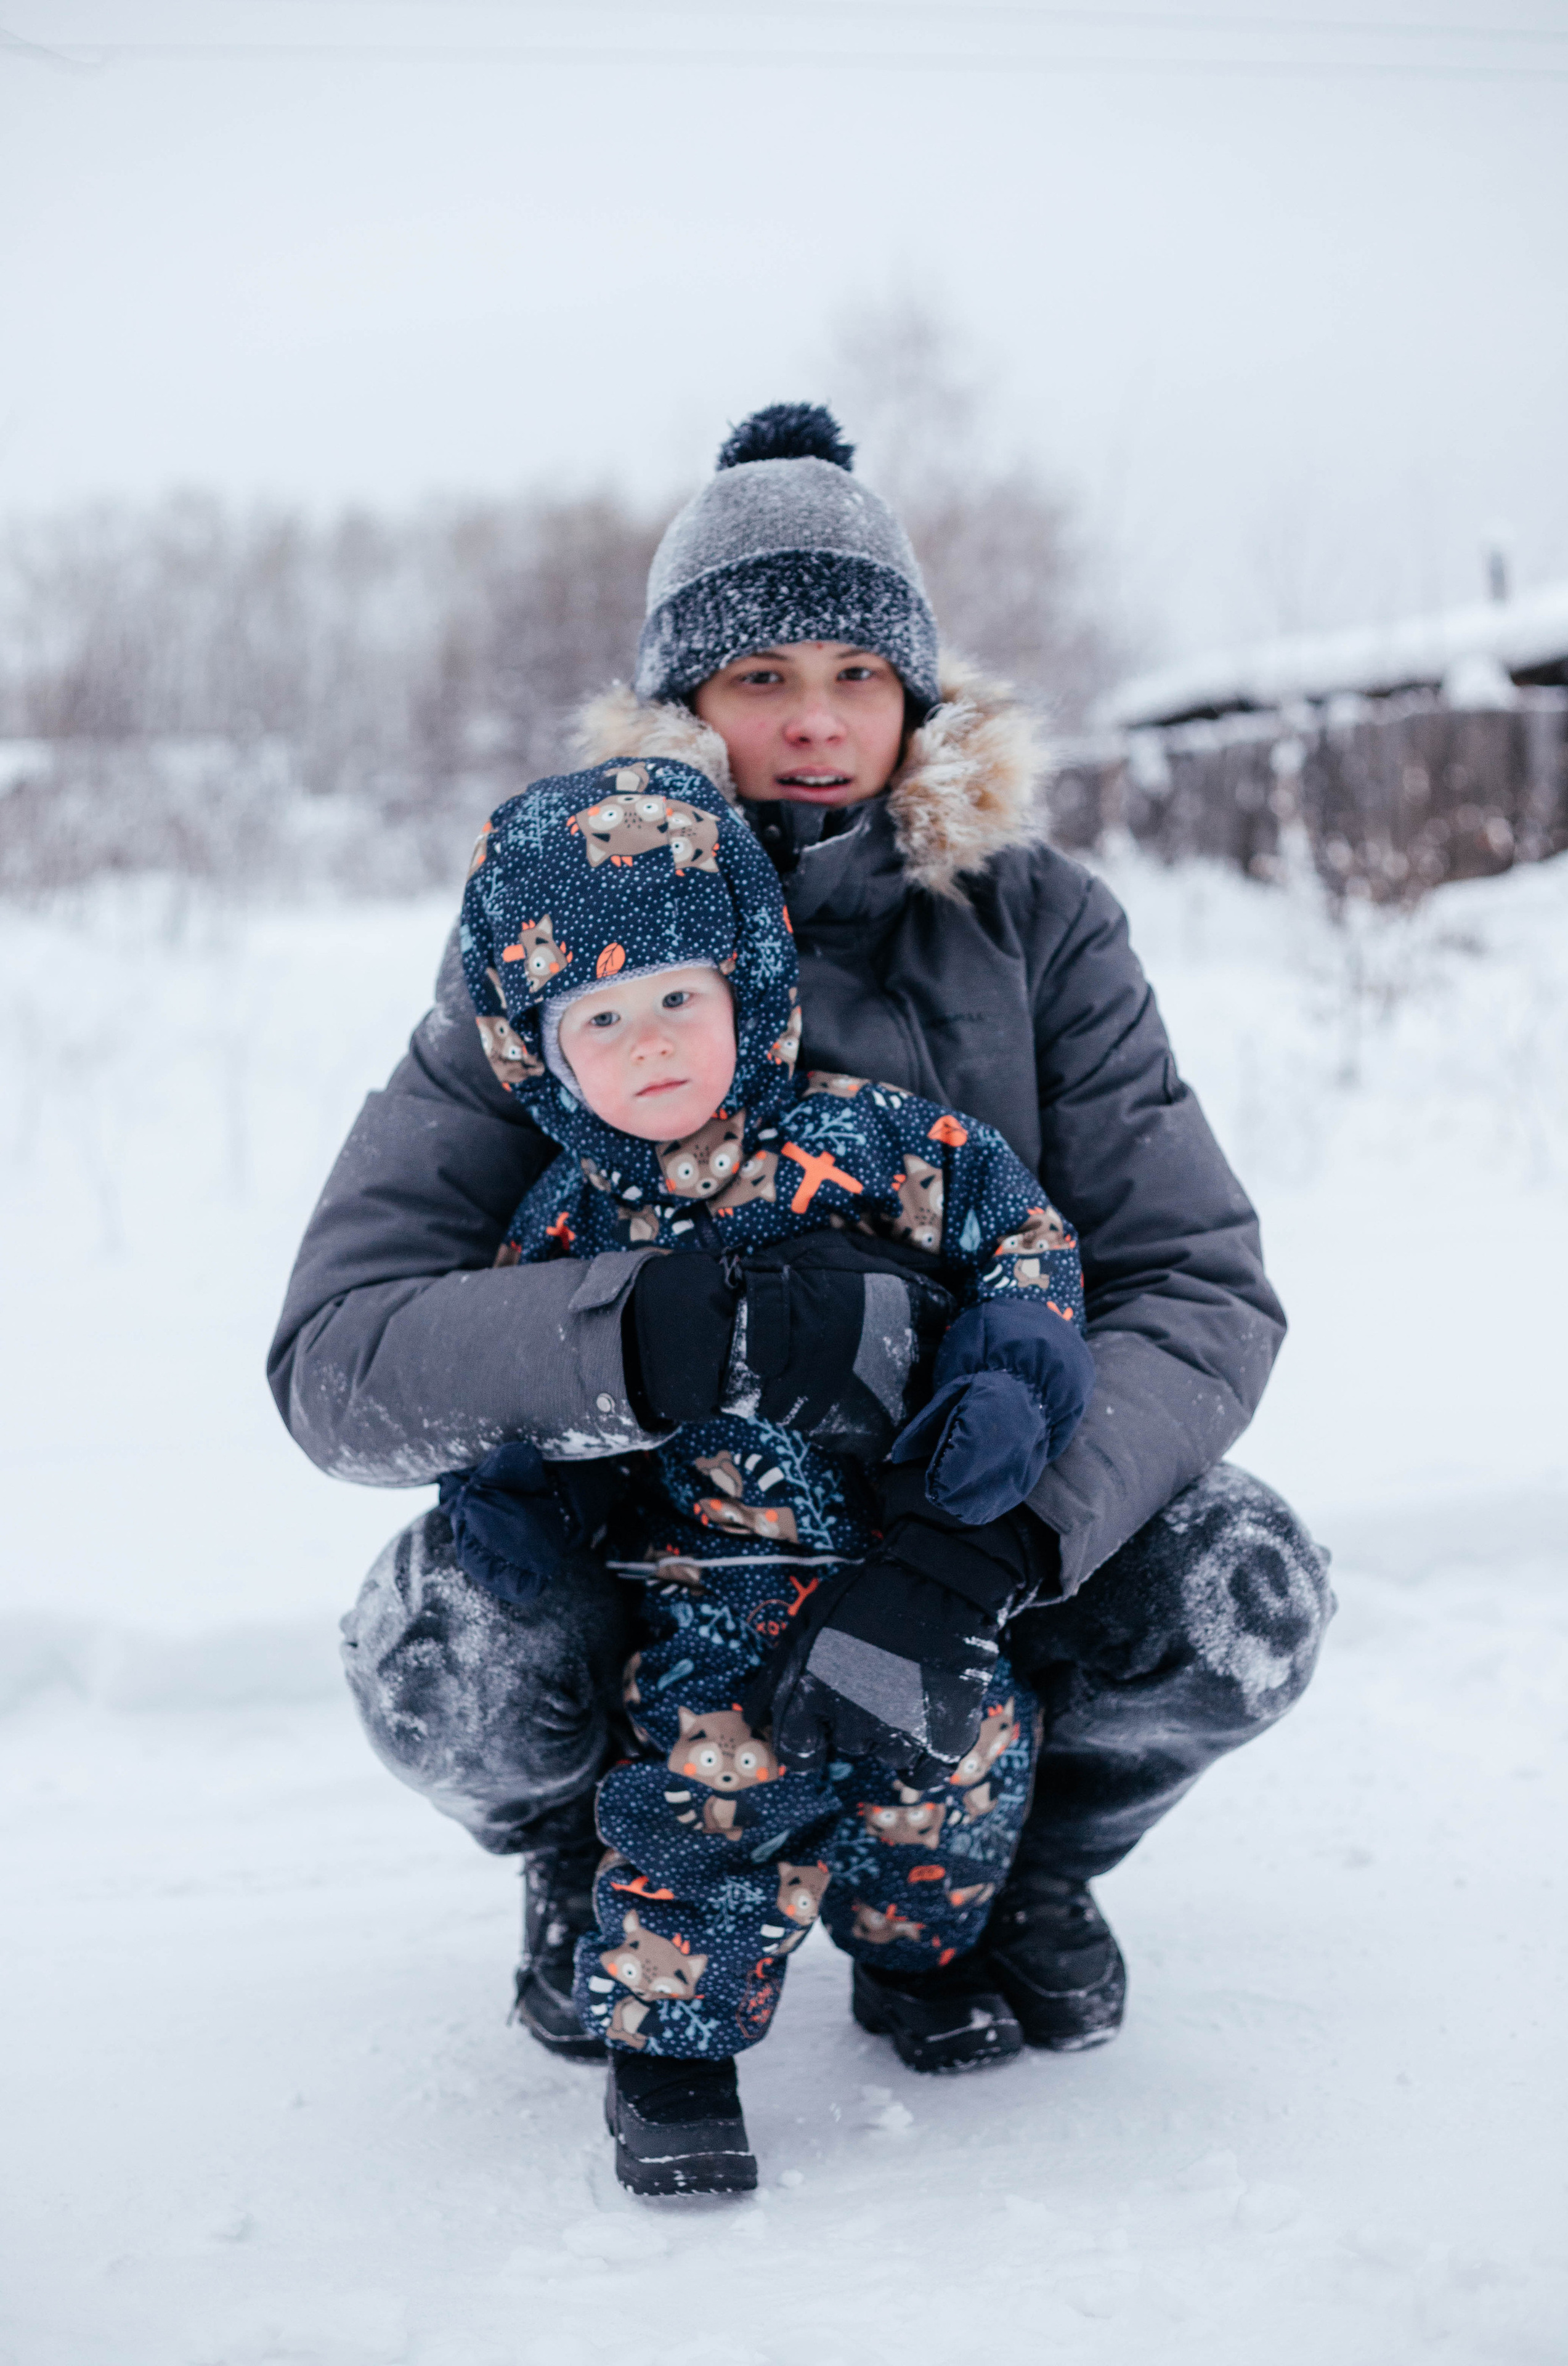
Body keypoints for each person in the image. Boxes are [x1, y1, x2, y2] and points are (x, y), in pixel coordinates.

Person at [268, 402, 1333, 2139]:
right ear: (681, 705)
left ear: (922, 695)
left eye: (858, 672)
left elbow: (1196, 1285)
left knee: (1240, 1585)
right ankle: (584, 1868)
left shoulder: (1036, 924)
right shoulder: (560, 940)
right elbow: (339, 1356)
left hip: (966, 1525)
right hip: (657, 1539)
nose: (818, 720)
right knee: (445, 1641)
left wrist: (993, 1533)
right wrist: (654, 1336)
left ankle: (1017, 1873)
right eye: (761, 675)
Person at [452, 748, 1097, 2189]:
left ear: (746, 987)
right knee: (702, 1805)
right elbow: (522, 1376)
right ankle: (673, 2058)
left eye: (677, 999)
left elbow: (1024, 1241)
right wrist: (524, 1490)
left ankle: (915, 1961)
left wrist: (1008, 1372)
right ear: (538, 1053)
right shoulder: (567, 1220)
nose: (650, 1045)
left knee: (952, 1769)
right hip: (710, 1590)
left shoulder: (871, 1139)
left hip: (915, 1552)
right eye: (600, 1018)